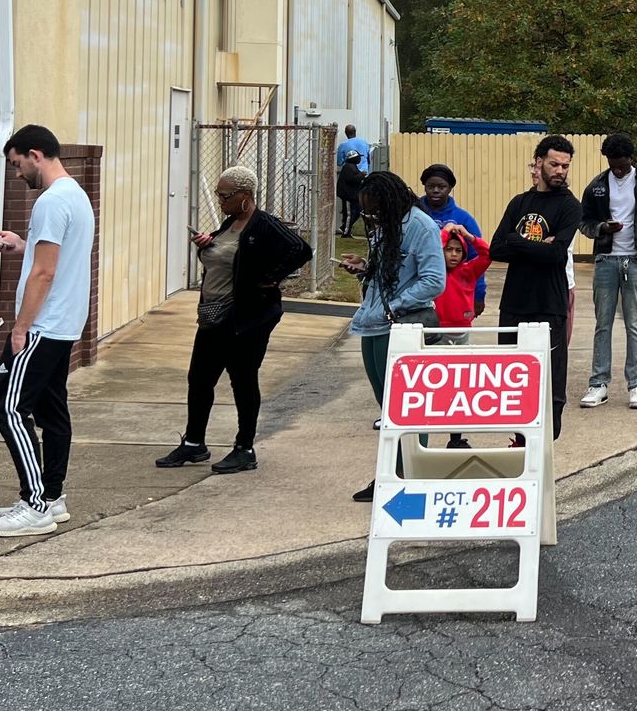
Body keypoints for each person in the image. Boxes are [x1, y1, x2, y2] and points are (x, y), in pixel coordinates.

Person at [155, 166, 313, 476]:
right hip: (214, 315)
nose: (219, 200)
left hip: (246, 318)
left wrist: (272, 278)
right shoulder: (230, 224)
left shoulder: (264, 225)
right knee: (199, 379)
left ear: (245, 197)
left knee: (242, 380)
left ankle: (245, 448)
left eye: (225, 196)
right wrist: (207, 243)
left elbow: (301, 249)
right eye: (218, 194)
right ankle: (194, 443)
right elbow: (226, 256)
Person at [0, 125, 96, 537]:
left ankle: (36, 505)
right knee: (51, 411)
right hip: (64, 324)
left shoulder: (50, 201)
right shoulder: (76, 196)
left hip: (43, 326)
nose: (16, 174)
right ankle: (53, 496)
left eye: (16, 165)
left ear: (35, 154)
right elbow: (52, 256)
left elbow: (44, 273)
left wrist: (20, 327)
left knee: (8, 408)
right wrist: (21, 245)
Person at [343, 172, 446, 501]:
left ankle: (409, 476)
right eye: (366, 213)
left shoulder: (421, 227)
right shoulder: (384, 227)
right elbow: (389, 272)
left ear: (390, 202)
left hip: (400, 326)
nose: (370, 217)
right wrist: (364, 267)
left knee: (406, 407)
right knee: (386, 408)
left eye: (374, 211)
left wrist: (394, 307)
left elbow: (433, 281)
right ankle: (390, 474)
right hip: (372, 323)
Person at [493, 136, 582, 440]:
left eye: (565, 166)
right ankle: (518, 439)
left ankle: (545, 441)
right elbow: (496, 248)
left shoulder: (570, 206)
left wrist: (516, 241)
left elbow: (557, 254)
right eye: (555, 164)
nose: (560, 171)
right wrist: (534, 245)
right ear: (539, 162)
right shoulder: (520, 202)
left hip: (549, 304)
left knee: (550, 379)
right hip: (514, 303)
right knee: (511, 377)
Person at [578, 133, 637, 411]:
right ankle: (598, 384)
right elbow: (585, 221)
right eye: (612, 164)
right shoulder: (597, 186)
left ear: (631, 159)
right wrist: (603, 228)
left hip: (635, 261)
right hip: (606, 259)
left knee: (634, 325)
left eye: (622, 165)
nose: (617, 169)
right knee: (602, 324)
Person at [418, 164, 486, 322]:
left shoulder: (463, 218)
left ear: (450, 188)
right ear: (424, 187)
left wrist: (479, 294)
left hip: (455, 294)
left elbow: (478, 259)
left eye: (441, 186)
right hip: (422, 288)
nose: (435, 190)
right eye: (430, 186)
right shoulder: (414, 214)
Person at [433, 224, 491, 339]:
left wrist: (469, 237)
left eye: (458, 250)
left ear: (463, 253)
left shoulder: (469, 271)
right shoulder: (435, 271)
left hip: (463, 331)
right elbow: (432, 248)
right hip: (437, 330)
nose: (454, 254)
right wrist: (445, 231)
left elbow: (488, 254)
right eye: (448, 249)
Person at [335, 151, 366, 237]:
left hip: (353, 196)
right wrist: (361, 175)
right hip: (348, 196)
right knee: (350, 214)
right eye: (358, 157)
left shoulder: (352, 166)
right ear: (353, 158)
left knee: (357, 213)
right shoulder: (348, 167)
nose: (360, 159)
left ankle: (343, 228)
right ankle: (346, 233)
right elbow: (351, 179)